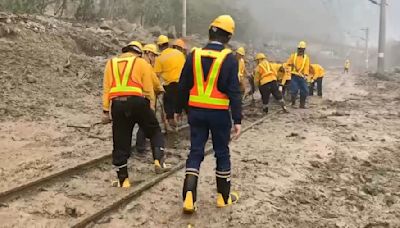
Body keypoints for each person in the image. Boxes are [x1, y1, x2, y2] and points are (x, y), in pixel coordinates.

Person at [177, 15, 242, 213]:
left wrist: (180, 110)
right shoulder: (229, 59)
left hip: (196, 112)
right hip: (219, 114)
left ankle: (189, 197)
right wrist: (237, 119)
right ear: (228, 37)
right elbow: (234, 91)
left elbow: (183, 85)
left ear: (210, 31)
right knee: (221, 152)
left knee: (195, 151)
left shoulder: (193, 55)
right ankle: (223, 197)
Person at [102, 41, 168, 188]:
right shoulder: (141, 63)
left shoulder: (111, 63)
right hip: (138, 102)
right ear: (139, 53)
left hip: (117, 105)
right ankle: (158, 161)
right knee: (154, 130)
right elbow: (148, 88)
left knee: (120, 141)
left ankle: (123, 180)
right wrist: (150, 106)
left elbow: (106, 88)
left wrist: (105, 110)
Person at [135, 44, 166, 156]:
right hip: (144, 98)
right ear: (148, 54)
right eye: (153, 56)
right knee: (146, 123)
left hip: (131, 97)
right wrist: (160, 90)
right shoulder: (146, 65)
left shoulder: (133, 63)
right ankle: (141, 148)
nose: (154, 59)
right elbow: (155, 81)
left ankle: (135, 147)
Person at [155, 35, 186, 131]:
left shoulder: (160, 58)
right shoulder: (179, 53)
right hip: (182, 84)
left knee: (168, 105)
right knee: (181, 104)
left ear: (159, 46)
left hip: (169, 86)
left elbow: (156, 74)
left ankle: (171, 122)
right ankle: (181, 119)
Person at [286, 41, 311, 108]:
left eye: (302, 49)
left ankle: (302, 105)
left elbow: (306, 67)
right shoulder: (293, 56)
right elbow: (287, 64)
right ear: (298, 49)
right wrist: (288, 72)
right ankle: (293, 103)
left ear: (304, 50)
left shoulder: (306, 58)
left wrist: (305, 75)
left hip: (302, 76)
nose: (300, 50)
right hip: (294, 76)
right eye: (299, 49)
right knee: (294, 90)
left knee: (305, 90)